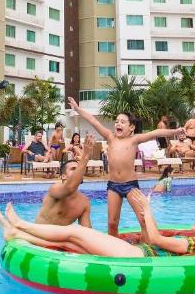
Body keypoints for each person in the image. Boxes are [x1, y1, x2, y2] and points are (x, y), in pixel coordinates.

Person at [67, 96, 181, 237]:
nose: (118, 124)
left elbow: (155, 133)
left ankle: (147, 247)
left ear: (131, 127)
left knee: (144, 220)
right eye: (116, 122)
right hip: (113, 186)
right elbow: (93, 121)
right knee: (112, 223)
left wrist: (174, 132)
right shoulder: (110, 137)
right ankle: (115, 250)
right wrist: (77, 109)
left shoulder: (134, 140)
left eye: (122, 122)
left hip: (131, 185)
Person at [0, 196, 195, 258]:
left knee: (75, 232)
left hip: (134, 255)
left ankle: (20, 224)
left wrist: (148, 209)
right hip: (135, 254)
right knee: (70, 243)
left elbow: (155, 239)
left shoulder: (194, 242)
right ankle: (17, 234)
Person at [35, 136, 94, 226]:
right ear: (63, 176)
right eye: (74, 169)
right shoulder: (55, 188)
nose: (78, 171)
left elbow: (87, 232)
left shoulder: (84, 202)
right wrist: (85, 156)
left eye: (79, 169)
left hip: (61, 238)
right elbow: (69, 188)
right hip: (40, 237)